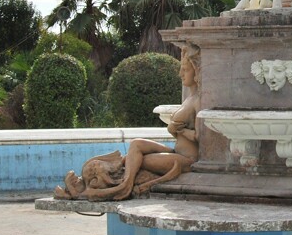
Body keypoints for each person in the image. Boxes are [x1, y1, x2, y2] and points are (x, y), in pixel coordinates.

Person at [54, 47, 200, 200]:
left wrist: (181, 131)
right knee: (136, 145)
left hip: (188, 160)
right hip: (175, 152)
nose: (180, 74)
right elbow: (177, 131)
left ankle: (124, 186)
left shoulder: (198, 100)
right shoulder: (189, 99)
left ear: (196, 72)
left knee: (139, 161)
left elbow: (202, 137)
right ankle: (116, 183)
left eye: (185, 70)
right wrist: (174, 129)